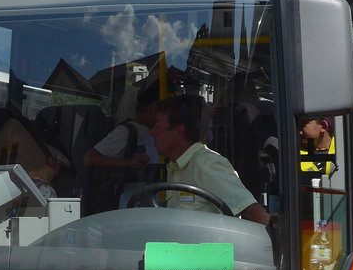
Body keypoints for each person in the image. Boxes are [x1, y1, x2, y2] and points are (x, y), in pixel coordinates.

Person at [150, 94, 269, 225]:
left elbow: (251, 210)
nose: (152, 132)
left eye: (157, 125)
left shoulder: (207, 164)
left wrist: (277, 241)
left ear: (178, 131)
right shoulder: (174, 166)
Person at [83, 84, 159, 212]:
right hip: (129, 206)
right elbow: (90, 157)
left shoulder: (155, 134)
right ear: (151, 111)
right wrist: (126, 163)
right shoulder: (126, 132)